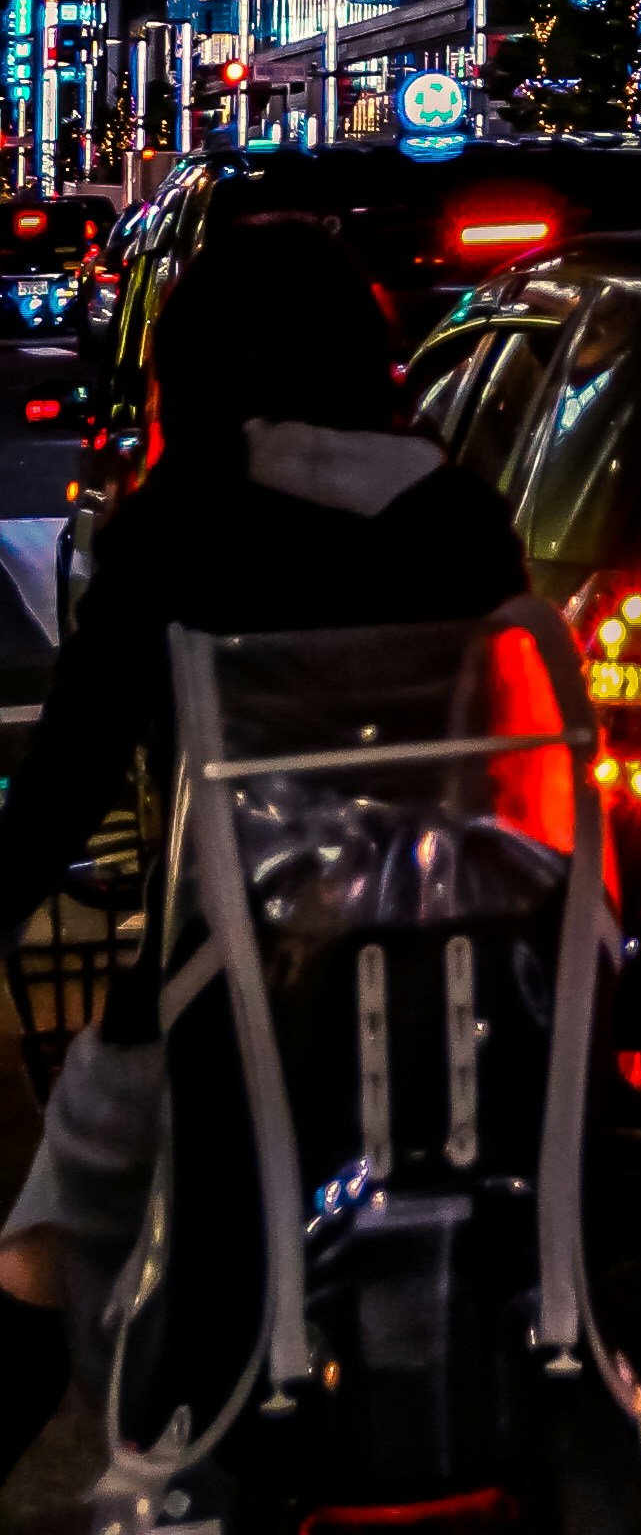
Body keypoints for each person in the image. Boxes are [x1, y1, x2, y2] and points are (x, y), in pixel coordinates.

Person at [0, 220, 524, 1471]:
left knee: (42, 1246)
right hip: (456, 1002)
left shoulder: (181, 528)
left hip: (219, 999)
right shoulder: (462, 520)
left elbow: (70, 772)